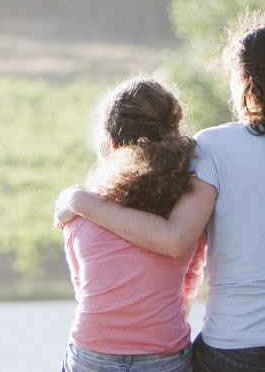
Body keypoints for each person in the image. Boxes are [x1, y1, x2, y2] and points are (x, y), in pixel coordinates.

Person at [55, 12, 265, 372]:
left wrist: (80, 202)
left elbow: (175, 239)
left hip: (234, 350)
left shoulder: (213, 148)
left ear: (245, 81)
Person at [60, 78, 207, 372]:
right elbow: (189, 282)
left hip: (93, 350)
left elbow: (83, 287)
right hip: (163, 353)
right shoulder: (189, 205)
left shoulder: (79, 208)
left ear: (111, 143)